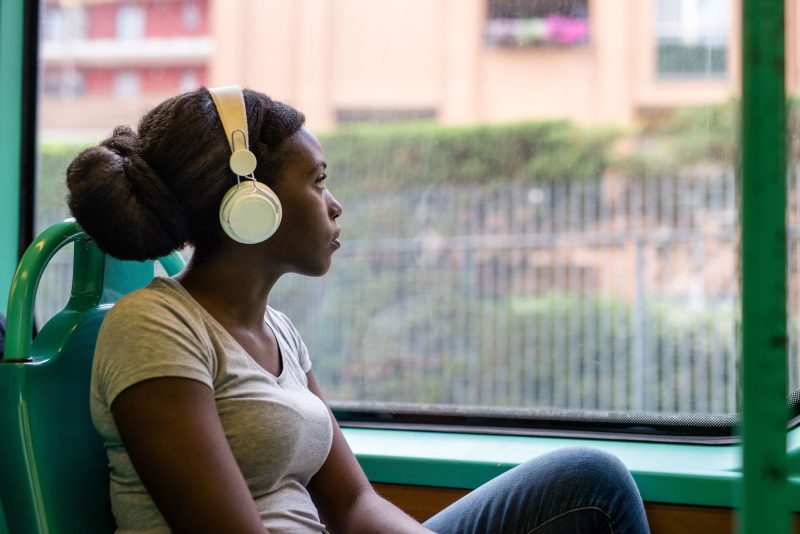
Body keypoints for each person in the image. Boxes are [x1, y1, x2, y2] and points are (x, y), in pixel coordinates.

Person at [65, 85, 650, 533]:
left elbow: (353, 506)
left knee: (589, 481)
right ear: (251, 202)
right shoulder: (153, 326)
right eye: (317, 182)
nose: (335, 205)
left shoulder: (280, 334)